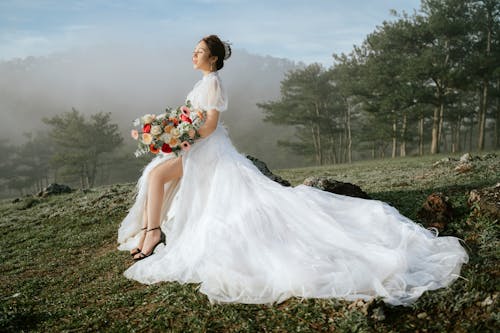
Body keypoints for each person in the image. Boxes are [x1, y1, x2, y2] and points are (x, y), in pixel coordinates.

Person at [118, 34, 468, 306]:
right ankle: (152, 231)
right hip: (197, 149)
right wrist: (172, 130)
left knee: (160, 176)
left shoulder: (212, 84)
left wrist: (181, 136)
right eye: (193, 50)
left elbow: (208, 126)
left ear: (213, 58)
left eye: (199, 50)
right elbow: (191, 118)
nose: (193, 54)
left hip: (208, 150)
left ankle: (152, 233)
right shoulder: (201, 83)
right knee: (155, 175)